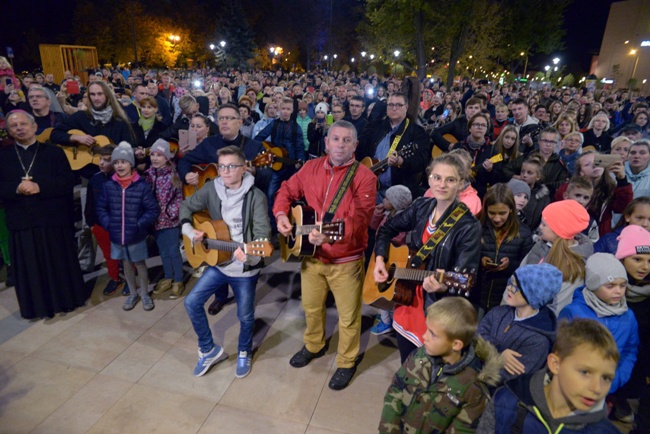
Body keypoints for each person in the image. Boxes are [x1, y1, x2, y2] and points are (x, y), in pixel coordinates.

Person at [274, 120, 376, 390]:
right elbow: (286, 189)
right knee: (311, 306)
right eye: (335, 139)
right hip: (312, 257)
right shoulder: (310, 168)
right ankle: (314, 345)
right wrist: (282, 214)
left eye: (346, 140)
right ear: (326, 142)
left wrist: (330, 235)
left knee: (348, 317)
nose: (340, 145)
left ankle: (346, 361)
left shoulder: (365, 176)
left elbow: (361, 220)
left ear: (355, 145)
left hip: (346, 260)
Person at [374, 154, 481, 363]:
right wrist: (380, 259)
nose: (442, 184)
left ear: (460, 184)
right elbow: (387, 229)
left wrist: (443, 287)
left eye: (450, 180)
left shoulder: (468, 225)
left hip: (435, 310)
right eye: (437, 178)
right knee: (408, 363)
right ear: (430, 179)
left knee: (430, 367)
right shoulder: (421, 206)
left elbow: (466, 278)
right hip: (406, 300)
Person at [181, 145, 271, 378]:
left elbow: (263, 236)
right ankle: (208, 350)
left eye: (231, 166)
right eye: (222, 167)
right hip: (218, 263)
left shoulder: (256, 197)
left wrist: (249, 254)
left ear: (243, 168)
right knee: (191, 302)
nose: (225, 171)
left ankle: (243, 351)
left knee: (245, 315)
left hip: (244, 268)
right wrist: (191, 232)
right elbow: (186, 205)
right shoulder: (211, 188)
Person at [0, 110, 87, 319]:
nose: (19, 128)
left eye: (23, 124)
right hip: (22, 221)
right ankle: (36, 307)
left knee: (58, 262)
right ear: (9, 131)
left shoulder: (53, 152)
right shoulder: (3, 157)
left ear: (34, 127)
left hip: (52, 219)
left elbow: (67, 182)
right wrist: (17, 188)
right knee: (30, 266)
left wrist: (39, 186)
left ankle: (66, 301)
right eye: (14, 126)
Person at [379, 297, 501, 434]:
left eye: (432, 334)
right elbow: (395, 392)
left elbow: (462, 430)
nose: (424, 336)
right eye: (427, 329)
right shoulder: (419, 356)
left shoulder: (473, 389)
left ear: (456, 344)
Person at [476, 319, 621, 434]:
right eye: (585, 372)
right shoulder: (505, 401)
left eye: (606, 378)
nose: (597, 388)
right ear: (555, 364)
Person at [559, 253, 639, 394]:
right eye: (610, 286)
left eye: (623, 285)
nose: (618, 291)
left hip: (608, 387)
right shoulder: (573, 312)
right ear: (593, 285)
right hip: (574, 388)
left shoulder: (628, 316)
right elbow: (560, 350)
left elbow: (630, 349)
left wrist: (617, 378)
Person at [96, 143, 159, 312]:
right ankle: (133, 293)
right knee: (125, 264)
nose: (119, 165)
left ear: (131, 163)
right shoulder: (109, 186)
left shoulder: (141, 186)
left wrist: (138, 225)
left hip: (136, 235)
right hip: (117, 235)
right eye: (116, 162)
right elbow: (101, 208)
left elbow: (152, 210)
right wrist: (108, 223)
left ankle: (145, 294)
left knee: (139, 264)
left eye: (123, 162)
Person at [479, 263, 562, 382]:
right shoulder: (498, 312)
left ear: (533, 295)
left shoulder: (538, 341)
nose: (509, 288)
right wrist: (498, 351)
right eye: (510, 282)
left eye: (515, 287)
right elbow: (476, 337)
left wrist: (483, 352)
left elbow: (507, 378)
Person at [513, 200, 592, 315]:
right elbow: (517, 277)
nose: (540, 227)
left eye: (544, 224)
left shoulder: (574, 264)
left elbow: (560, 305)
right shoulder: (540, 246)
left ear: (558, 230)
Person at [357, 92, 431, 200]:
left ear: (406, 107)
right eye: (390, 105)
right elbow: (361, 148)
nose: (394, 108)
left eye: (398, 105)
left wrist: (402, 162)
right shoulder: (377, 126)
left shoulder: (417, 132)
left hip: (397, 194)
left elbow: (422, 161)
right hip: (369, 188)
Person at [612, 225, 650, 423]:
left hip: (640, 364)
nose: (645, 267)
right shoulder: (607, 290)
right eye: (637, 259)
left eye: (649, 261)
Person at [478, 184, 534, 311]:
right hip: (477, 296)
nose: (497, 219)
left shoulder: (523, 233)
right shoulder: (477, 228)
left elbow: (527, 268)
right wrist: (480, 260)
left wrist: (510, 265)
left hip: (505, 300)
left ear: (511, 209)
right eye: (492, 213)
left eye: (502, 213)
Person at [84, 145, 131, 296]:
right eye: (100, 159)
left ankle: (130, 280)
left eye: (106, 160)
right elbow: (90, 203)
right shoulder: (95, 179)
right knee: (109, 254)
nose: (101, 163)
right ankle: (115, 278)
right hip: (100, 226)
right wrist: (91, 223)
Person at [367, 184, 413, 335]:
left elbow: (394, 241)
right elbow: (374, 229)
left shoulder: (400, 222)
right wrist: (377, 215)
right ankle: (386, 317)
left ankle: (387, 322)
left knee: (384, 291)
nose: (383, 200)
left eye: (387, 198)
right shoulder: (388, 214)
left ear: (394, 202)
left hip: (390, 260)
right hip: (380, 256)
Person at [144, 139, 185, 299]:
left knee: (173, 250)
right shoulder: (148, 174)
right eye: (152, 154)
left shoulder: (173, 175)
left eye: (159, 155)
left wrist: (171, 213)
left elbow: (179, 198)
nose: (154, 158)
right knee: (163, 251)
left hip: (170, 221)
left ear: (167, 157)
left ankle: (178, 280)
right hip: (155, 221)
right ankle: (168, 277)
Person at [50, 81, 133, 151]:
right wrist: (75, 137)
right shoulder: (81, 116)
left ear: (107, 96)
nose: (96, 98)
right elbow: (55, 134)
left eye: (100, 94)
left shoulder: (120, 121)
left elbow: (127, 149)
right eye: (92, 94)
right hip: (84, 167)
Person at [519, 154, 550, 230]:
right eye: (522, 172)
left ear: (538, 177)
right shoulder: (511, 191)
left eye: (529, 173)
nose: (524, 175)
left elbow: (542, 221)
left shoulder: (543, 198)